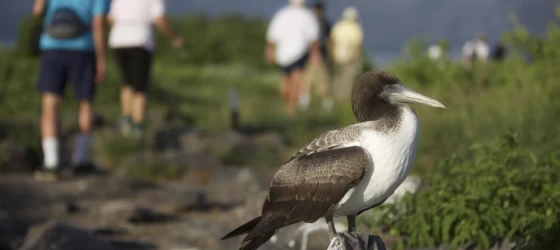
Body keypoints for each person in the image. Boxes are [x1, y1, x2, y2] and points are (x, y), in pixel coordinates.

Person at [32, 0, 108, 179]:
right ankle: (80, 160)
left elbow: (37, 11)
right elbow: (98, 24)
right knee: (85, 102)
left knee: (50, 103)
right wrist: (102, 58)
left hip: (52, 46)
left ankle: (51, 163)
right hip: (83, 48)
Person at [108, 0, 184, 136]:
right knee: (140, 86)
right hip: (140, 39)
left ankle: (126, 119)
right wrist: (173, 38)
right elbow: (159, 18)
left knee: (127, 82)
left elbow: (110, 18)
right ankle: (137, 125)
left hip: (118, 40)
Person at [266, 0, 320, 115]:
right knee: (297, 81)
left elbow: (273, 35)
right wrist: (315, 53)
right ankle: (291, 109)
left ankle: (287, 106)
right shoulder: (307, 15)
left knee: (286, 80)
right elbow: (313, 37)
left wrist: (270, 50)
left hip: (283, 54)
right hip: (299, 53)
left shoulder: (281, 14)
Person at [301, 1, 333, 112]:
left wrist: (329, 54)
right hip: (308, 57)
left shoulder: (325, 23)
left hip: (321, 57)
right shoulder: (307, 22)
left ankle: (327, 105)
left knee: (323, 82)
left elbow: (329, 40)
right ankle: (303, 106)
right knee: (306, 82)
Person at [330, 6, 364, 102]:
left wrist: (332, 55)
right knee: (347, 80)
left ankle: (336, 98)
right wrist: (358, 59)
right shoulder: (355, 28)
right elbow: (358, 45)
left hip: (337, 57)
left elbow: (332, 41)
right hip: (350, 58)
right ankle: (344, 100)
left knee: (338, 78)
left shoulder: (338, 26)